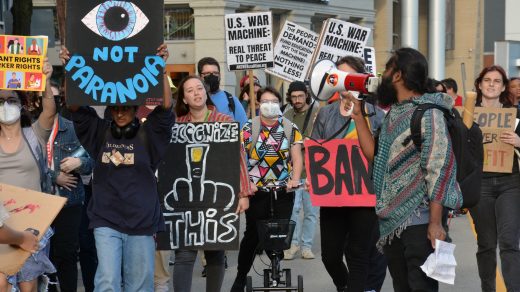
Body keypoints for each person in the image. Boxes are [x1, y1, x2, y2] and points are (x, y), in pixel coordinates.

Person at [60, 44, 173, 292]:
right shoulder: (99, 132)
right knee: (107, 282)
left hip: (142, 221)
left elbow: (165, 109)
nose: (120, 114)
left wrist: (162, 69)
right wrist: (70, 68)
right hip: (106, 219)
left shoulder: (150, 135)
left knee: (139, 285)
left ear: (136, 110)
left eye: (126, 108)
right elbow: (75, 106)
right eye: (116, 109)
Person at [352, 48, 463, 292]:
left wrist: (435, 223)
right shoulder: (395, 113)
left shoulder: (429, 114)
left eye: (387, 70)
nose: (382, 77)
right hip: (393, 224)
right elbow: (377, 157)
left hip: (420, 223)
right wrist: (358, 116)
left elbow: (439, 168)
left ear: (399, 75)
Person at [311, 56, 386, 292]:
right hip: (333, 196)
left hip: (365, 195)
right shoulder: (326, 114)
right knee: (330, 256)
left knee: (358, 254)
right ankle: (344, 286)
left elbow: (380, 154)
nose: (341, 82)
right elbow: (317, 147)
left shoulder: (377, 115)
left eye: (347, 76)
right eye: (337, 76)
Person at [172, 75, 252, 292]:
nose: (196, 93)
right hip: (186, 197)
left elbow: (238, 157)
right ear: (184, 99)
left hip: (218, 196)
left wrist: (243, 193)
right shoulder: (176, 126)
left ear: (206, 93)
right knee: (184, 253)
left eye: (199, 88)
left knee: (215, 252)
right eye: (190, 90)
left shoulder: (225, 122)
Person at [230, 87, 303, 292]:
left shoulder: (290, 128)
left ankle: (276, 258)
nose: (269, 104)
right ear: (259, 104)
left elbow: (297, 158)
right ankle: (241, 277)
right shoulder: (248, 128)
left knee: (280, 231)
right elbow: (238, 158)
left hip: (283, 190)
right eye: (264, 101)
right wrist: (246, 184)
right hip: (256, 190)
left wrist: (295, 180)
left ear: (280, 104)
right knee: (253, 234)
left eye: (273, 101)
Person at [0, 59, 57, 292]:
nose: (6, 105)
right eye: (1, 101)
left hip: (32, 222)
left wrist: (45, 80)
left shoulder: (33, 135)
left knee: (28, 284)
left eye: (12, 100)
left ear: (21, 105)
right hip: (2, 223)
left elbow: (50, 111)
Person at [469, 65, 520, 292]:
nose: (491, 84)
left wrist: (519, 142)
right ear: (479, 85)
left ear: (503, 87)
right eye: (487, 80)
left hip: (511, 183)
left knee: (509, 242)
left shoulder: (516, 115)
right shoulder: (468, 115)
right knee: (487, 244)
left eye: (497, 81)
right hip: (480, 185)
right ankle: (488, 289)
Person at [40, 84, 94, 292]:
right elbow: (28, 165)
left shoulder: (72, 129)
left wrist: (79, 164)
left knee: (67, 255)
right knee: (44, 256)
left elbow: (91, 160)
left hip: (69, 202)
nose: (52, 102)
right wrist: (55, 176)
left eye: (55, 98)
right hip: (41, 201)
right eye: (47, 97)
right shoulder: (32, 130)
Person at [282, 81, 320, 260]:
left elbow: (323, 137)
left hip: (314, 171)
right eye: (294, 97)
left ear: (306, 96)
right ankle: (293, 244)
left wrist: (307, 142)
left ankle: (306, 246)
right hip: (293, 172)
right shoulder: (287, 115)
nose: (297, 100)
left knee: (311, 212)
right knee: (293, 210)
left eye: (300, 96)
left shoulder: (317, 113)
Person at [197, 57, 247, 128]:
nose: (212, 76)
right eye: (207, 73)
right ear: (199, 76)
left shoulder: (231, 100)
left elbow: (244, 129)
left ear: (220, 75)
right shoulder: (195, 99)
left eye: (215, 73)